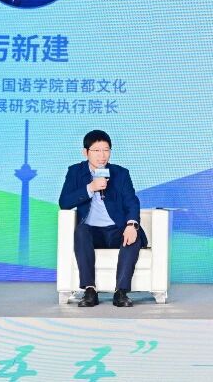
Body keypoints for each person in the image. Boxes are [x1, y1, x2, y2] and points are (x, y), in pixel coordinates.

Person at [58, 129, 147, 307]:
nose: (102, 155)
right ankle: (90, 291)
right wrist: (90, 188)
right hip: (91, 232)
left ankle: (121, 292)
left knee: (133, 236)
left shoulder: (120, 173)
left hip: (116, 230)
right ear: (85, 152)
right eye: (97, 150)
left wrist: (132, 225)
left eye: (106, 150)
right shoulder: (75, 172)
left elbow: (132, 202)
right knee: (81, 230)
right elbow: (64, 202)